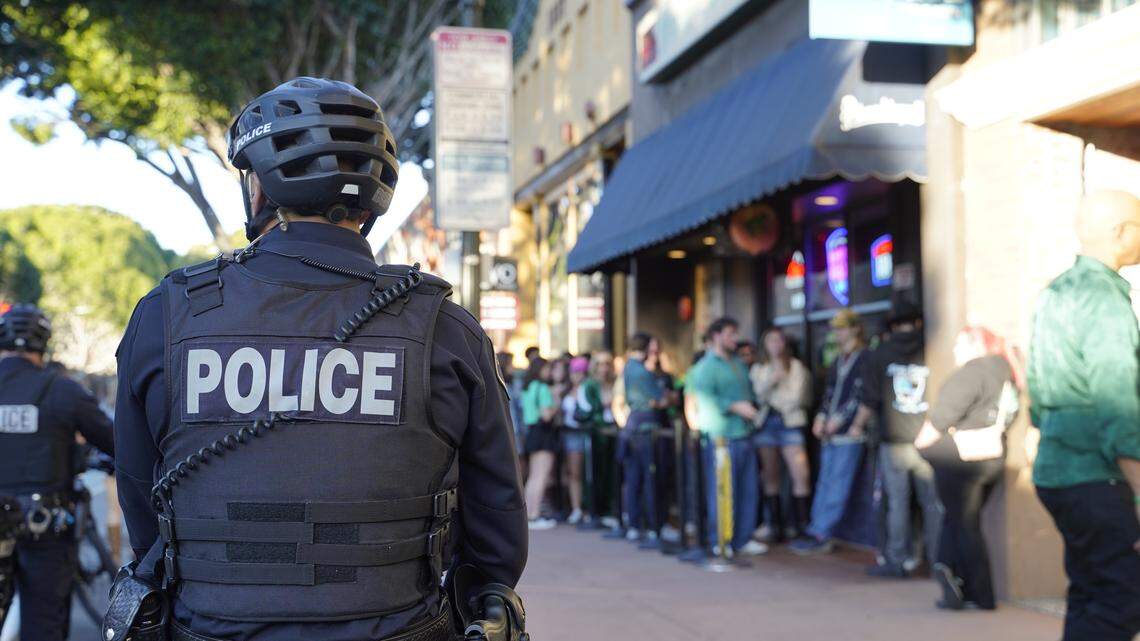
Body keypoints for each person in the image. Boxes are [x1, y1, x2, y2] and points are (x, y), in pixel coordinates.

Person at [110, 78, 527, 641]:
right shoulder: (445, 329)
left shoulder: (167, 314)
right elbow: (496, 534)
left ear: (258, 188)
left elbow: (143, 506)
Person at [1028, 190, 1140, 641]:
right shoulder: (1104, 298)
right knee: (1121, 599)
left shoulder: (1055, 292)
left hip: (1058, 472)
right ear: (1120, 231)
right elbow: (1119, 406)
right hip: (1097, 476)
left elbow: (1037, 395)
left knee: (1091, 592)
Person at [0, 304, 114, 641]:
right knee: (43, 627)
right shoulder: (63, 391)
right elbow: (117, 443)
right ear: (44, 343)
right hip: (45, 531)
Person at [914, 327, 1020, 611]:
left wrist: (922, 446)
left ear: (976, 346)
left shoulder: (972, 374)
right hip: (992, 456)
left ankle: (976, 591)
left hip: (963, 459)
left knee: (963, 523)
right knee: (961, 519)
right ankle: (952, 577)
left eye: (960, 345)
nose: (955, 352)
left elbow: (937, 422)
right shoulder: (1006, 372)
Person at [855, 300, 942, 577]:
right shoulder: (933, 348)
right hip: (928, 437)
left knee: (897, 503)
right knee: (933, 504)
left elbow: (869, 399)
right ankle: (938, 559)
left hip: (894, 440)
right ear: (918, 322)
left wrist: (856, 426)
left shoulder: (879, 354)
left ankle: (896, 559)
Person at [684, 318, 767, 556]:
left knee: (748, 488)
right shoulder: (705, 368)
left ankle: (743, 536)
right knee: (722, 490)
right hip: (721, 436)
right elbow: (703, 400)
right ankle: (720, 538)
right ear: (716, 336)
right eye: (730, 334)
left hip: (744, 433)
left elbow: (751, 392)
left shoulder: (739, 364)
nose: (735, 339)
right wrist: (734, 406)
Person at [791, 309, 869, 555]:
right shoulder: (837, 359)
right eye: (836, 328)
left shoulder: (865, 357)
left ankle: (823, 532)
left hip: (848, 433)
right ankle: (816, 527)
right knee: (825, 481)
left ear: (855, 328)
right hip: (829, 432)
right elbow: (829, 392)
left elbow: (861, 395)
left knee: (838, 483)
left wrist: (840, 420)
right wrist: (822, 416)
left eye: (842, 327)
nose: (837, 332)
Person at [750, 327, 812, 542]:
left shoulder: (795, 366)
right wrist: (771, 382)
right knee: (770, 475)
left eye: (779, 340)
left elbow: (796, 397)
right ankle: (775, 525)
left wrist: (773, 395)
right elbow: (757, 394)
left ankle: (801, 526)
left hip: (790, 423)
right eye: (771, 341)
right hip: (767, 424)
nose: (775, 345)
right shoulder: (759, 368)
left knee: (800, 474)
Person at [620, 334, 667, 544]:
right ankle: (653, 526)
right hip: (646, 428)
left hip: (632, 427)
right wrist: (668, 397)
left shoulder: (628, 367)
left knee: (633, 478)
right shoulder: (641, 371)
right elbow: (659, 400)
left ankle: (635, 523)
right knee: (649, 478)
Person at [521, 357, 559, 530]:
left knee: (533, 476)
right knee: (541, 475)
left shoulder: (527, 387)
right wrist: (556, 404)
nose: (549, 372)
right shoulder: (543, 388)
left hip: (531, 431)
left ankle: (529, 514)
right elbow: (547, 416)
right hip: (544, 433)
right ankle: (534, 515)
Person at [560, 357, 592, 525]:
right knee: (572, 473)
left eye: (580, 372)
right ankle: (576, 507)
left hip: (583, 433)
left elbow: (589, 409)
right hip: (568, 434)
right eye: (574, 372)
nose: (576, 376)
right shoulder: (566, 390)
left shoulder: (588, 389)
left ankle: (584, 507)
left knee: (584, 472)